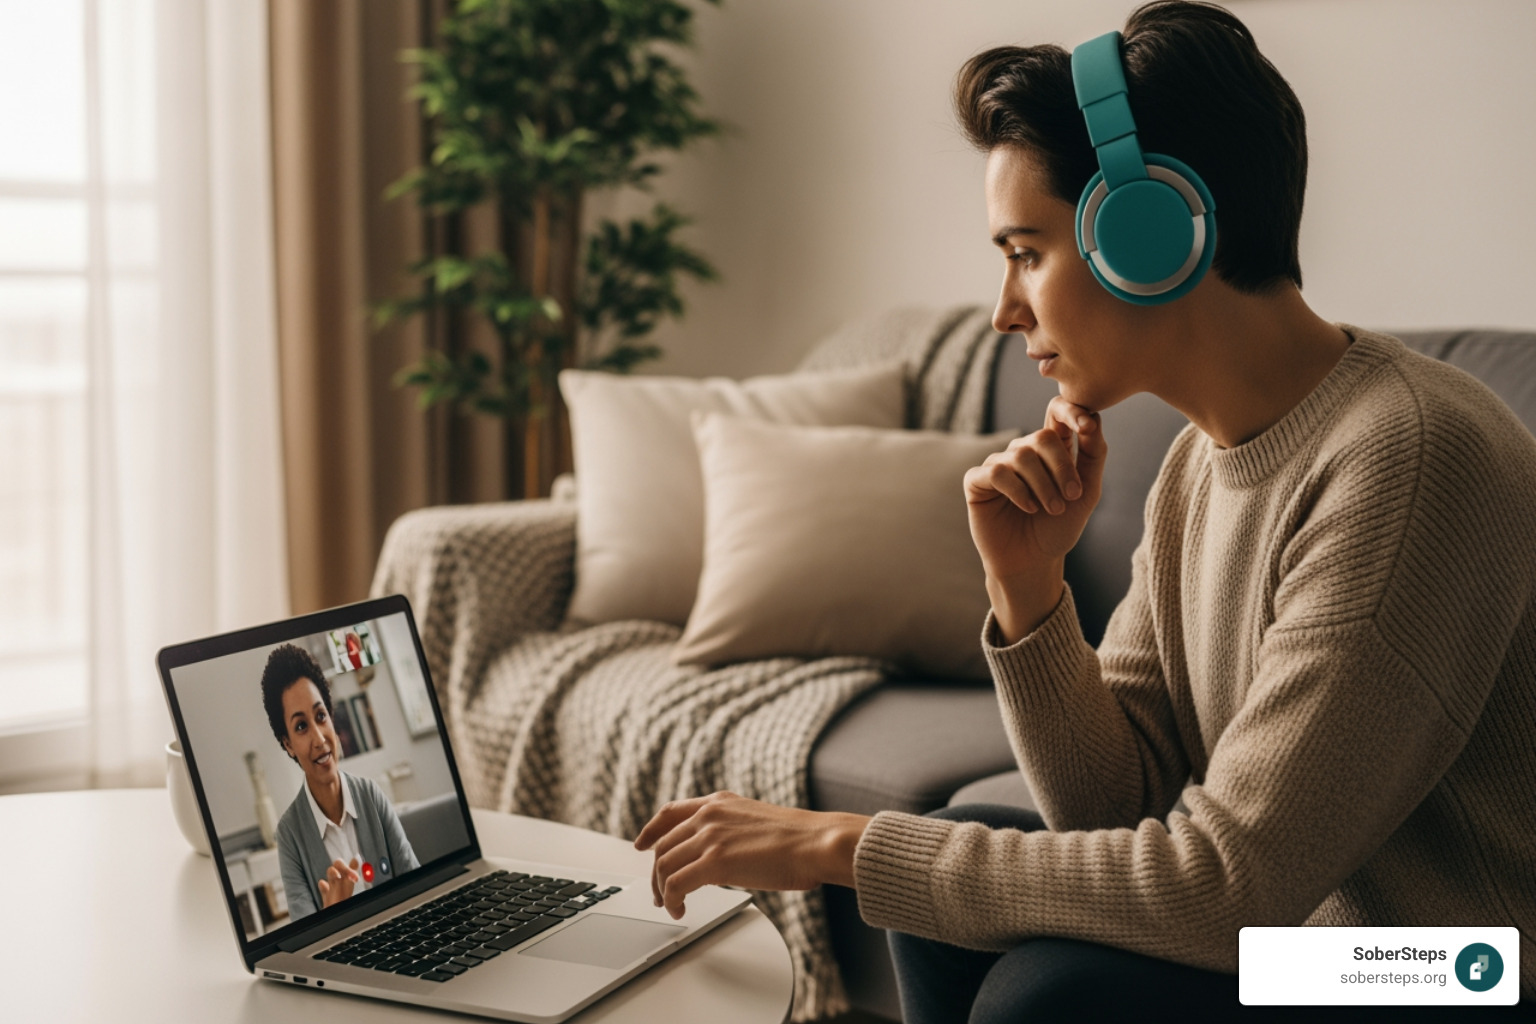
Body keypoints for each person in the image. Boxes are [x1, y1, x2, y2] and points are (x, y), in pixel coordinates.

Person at [632, 2, 1535, 1019]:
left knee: (1041, 988)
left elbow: (1224, 885)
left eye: (1024, 251)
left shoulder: (1406, 458)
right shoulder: (1202, 465)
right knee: (944, 903)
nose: (1003, 309)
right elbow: (1116, 808)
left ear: (1147, 235)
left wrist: (842, 843)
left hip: (1461, 967)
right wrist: (1028, 589)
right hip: (1305, 934)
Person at [262, 643, 420, 922]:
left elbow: (416, 886)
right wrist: (331, 918)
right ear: (287, 744)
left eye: (321, 716)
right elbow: (306, 941)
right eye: (301, 726)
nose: (320, 739)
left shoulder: (371, 795)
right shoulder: (289, 834)